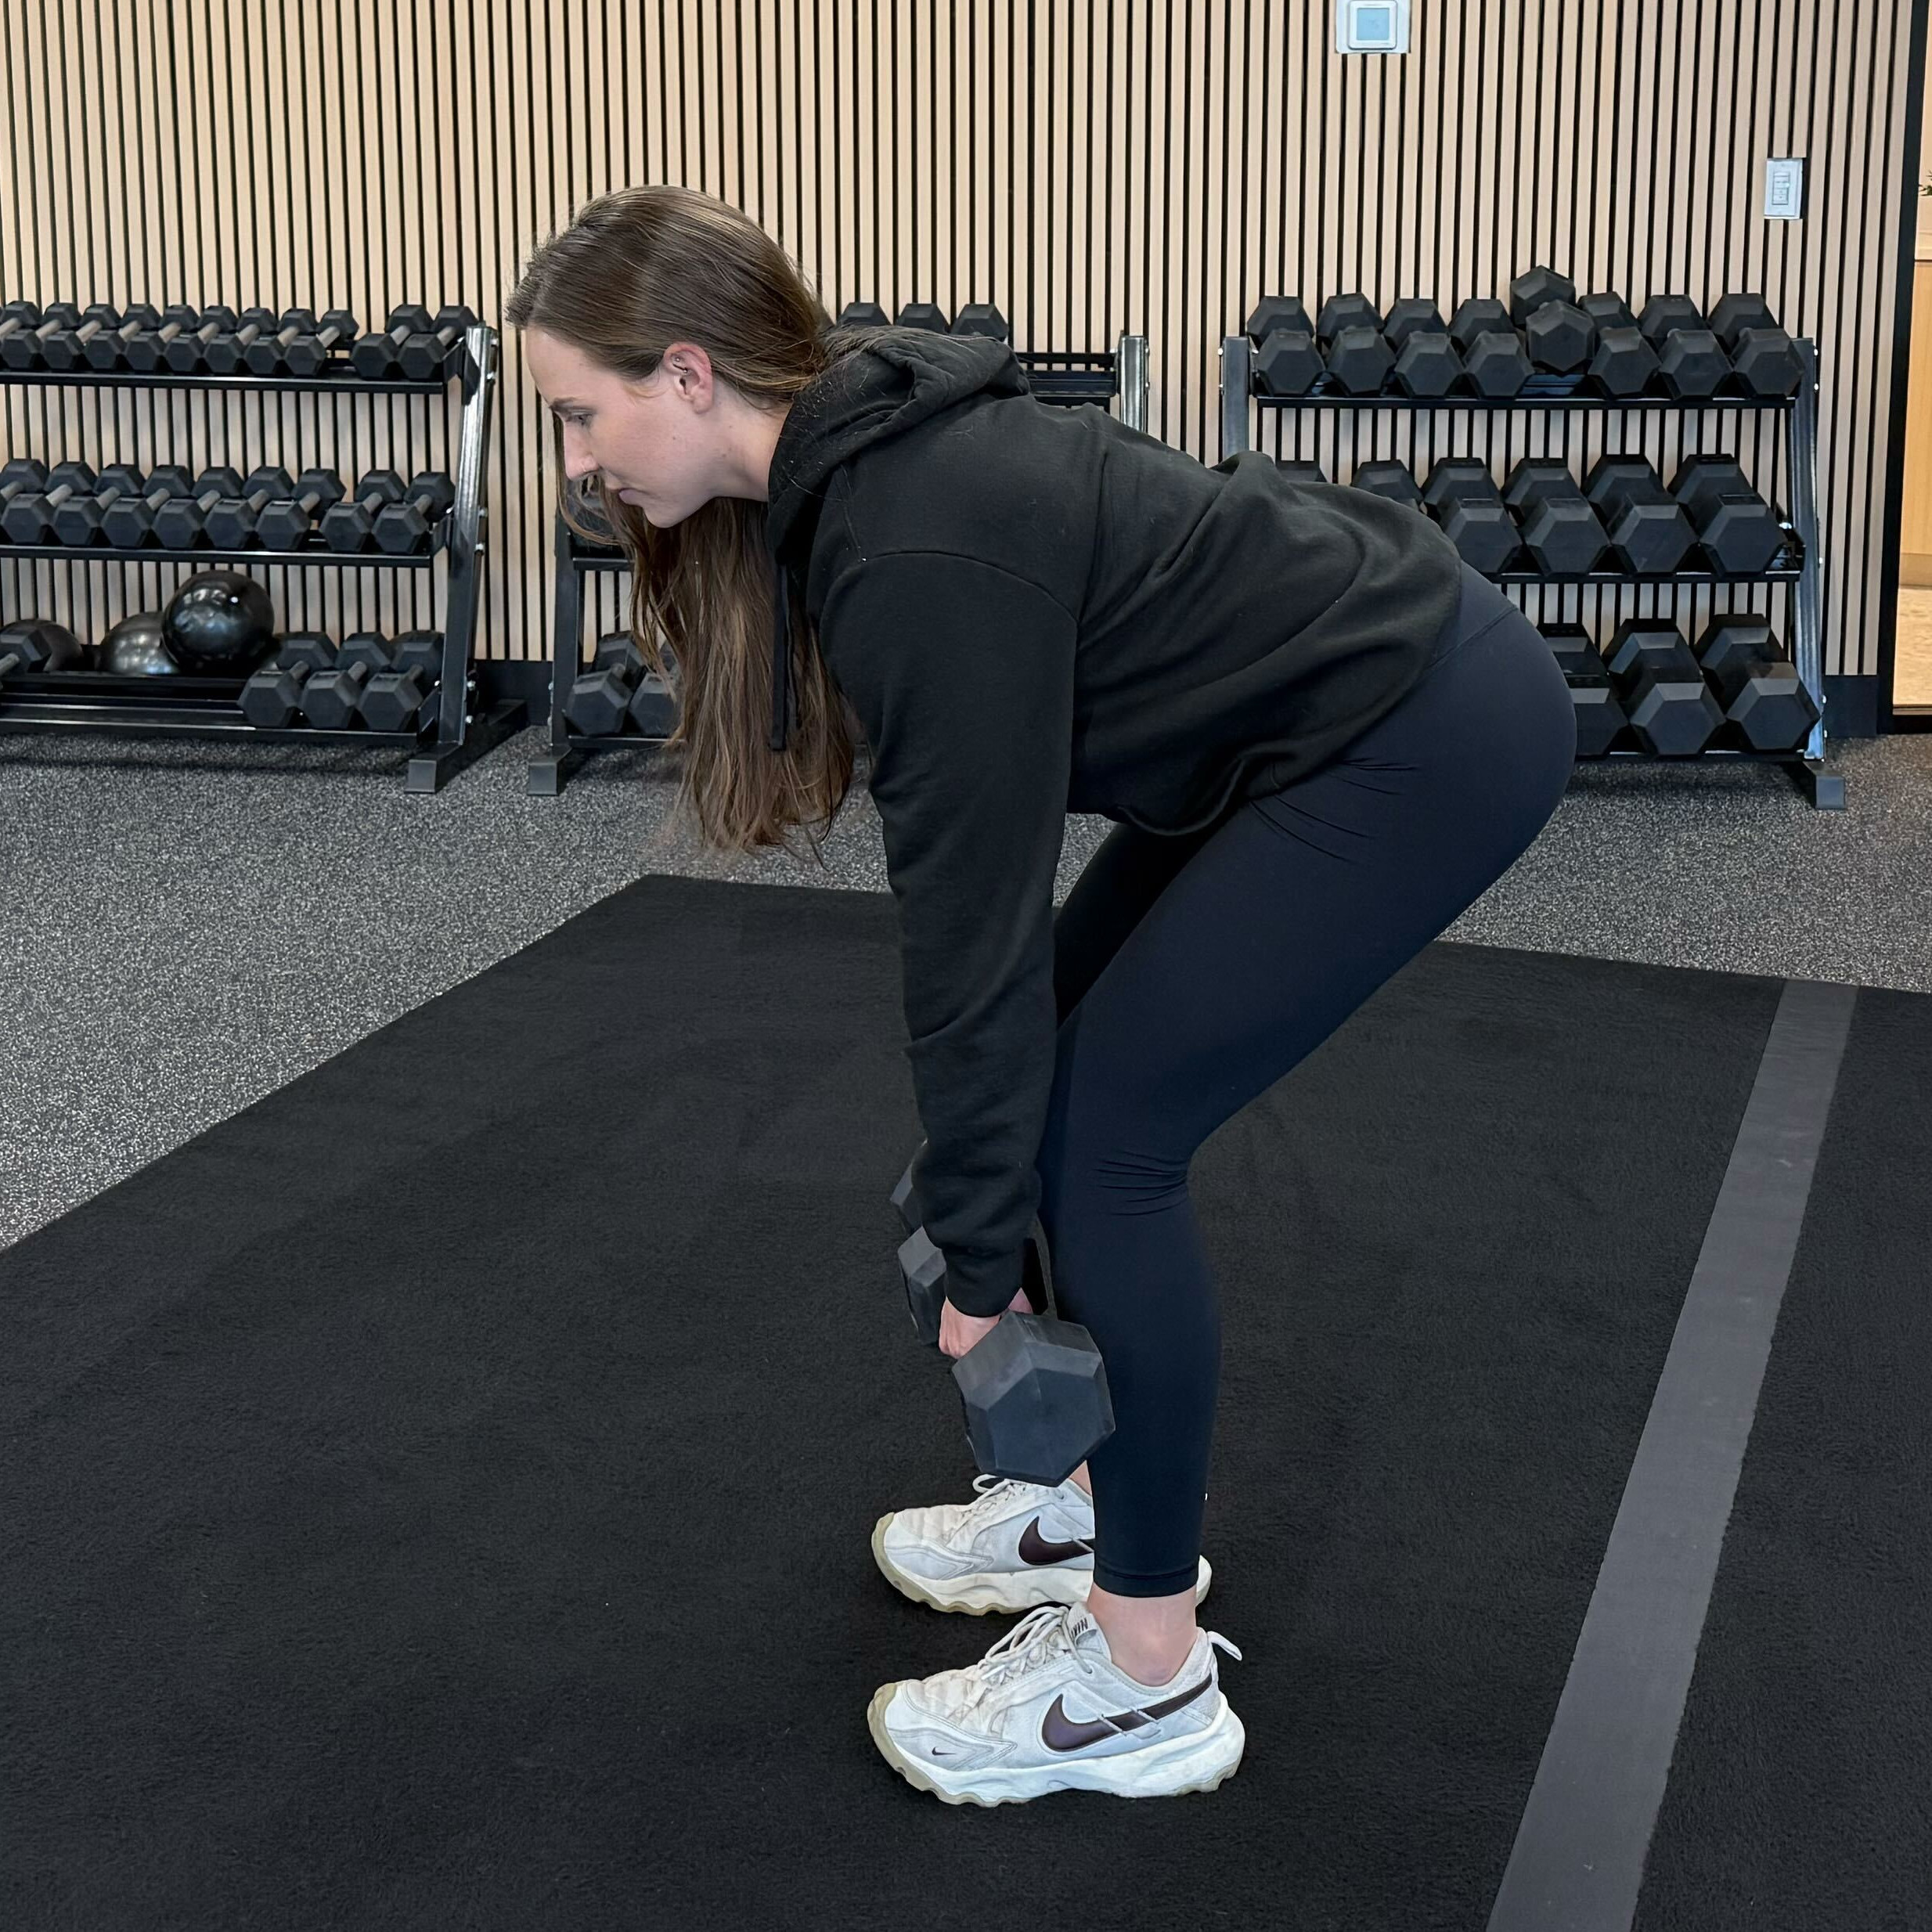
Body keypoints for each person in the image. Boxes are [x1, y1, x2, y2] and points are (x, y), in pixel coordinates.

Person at [508, 183, 1577, 1808]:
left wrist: (987, 1261)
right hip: (1282, 728)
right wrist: (977, 1206)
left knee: (1096, 1145)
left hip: (1415, 728)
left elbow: (973, 936)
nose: (575, 462)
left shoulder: (909, 545)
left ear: (685, 373)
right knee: (1051, 1110)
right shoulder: (840, 488)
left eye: (578, 414)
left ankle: (1144, 1672)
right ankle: (1087, 1497)